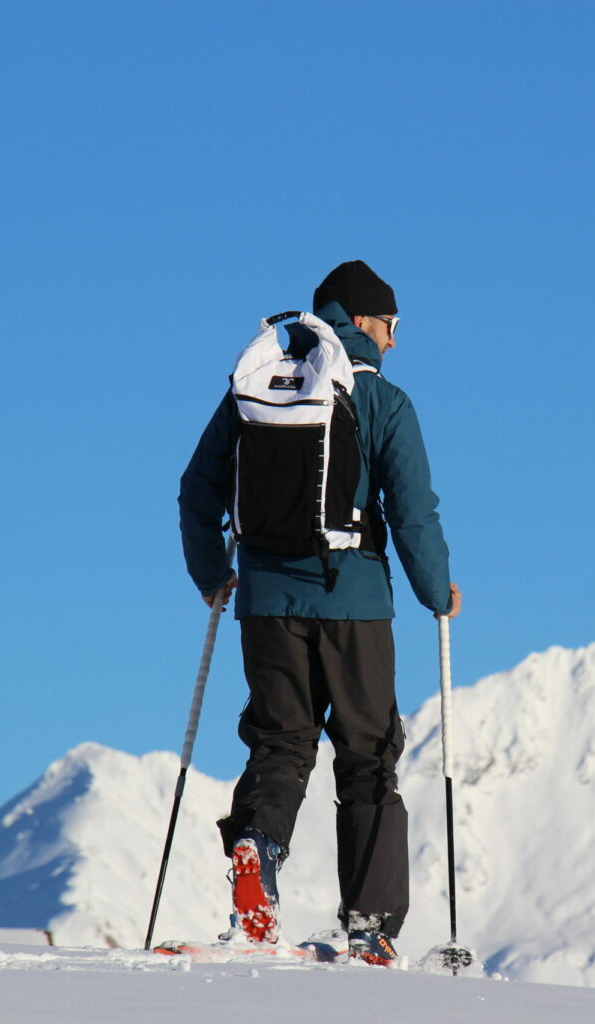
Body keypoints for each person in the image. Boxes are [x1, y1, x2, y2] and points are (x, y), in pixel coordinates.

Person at [178, 259, 460, 966]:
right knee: (368, 757)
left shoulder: (254, 391)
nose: (395, 341)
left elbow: (197, 489)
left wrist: (214, 575)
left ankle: (257, 850)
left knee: (280, 743)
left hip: (266, 604)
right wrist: (438, 592)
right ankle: (369, 925)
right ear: (361, 320)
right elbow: (414, 514)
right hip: (357, 604)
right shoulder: (384, 401)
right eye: (392, 325)